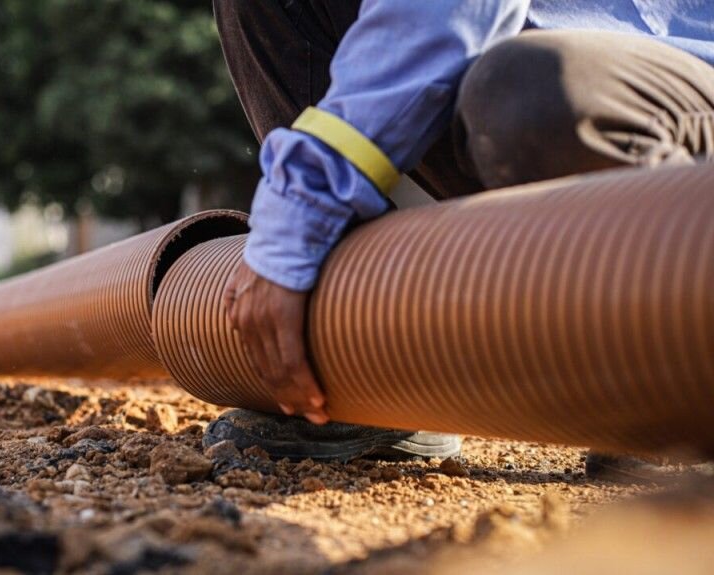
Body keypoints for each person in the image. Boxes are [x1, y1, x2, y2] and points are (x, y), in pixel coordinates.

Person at [205, 1, 714, 465]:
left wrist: (298, 216)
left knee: (533, 89)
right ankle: (363, 379)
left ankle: (678, 362)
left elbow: (453, 13)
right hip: (512, 74)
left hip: (674, 89)